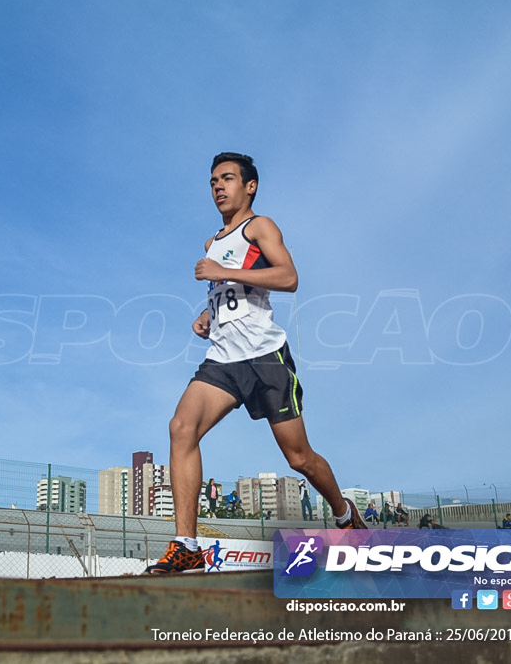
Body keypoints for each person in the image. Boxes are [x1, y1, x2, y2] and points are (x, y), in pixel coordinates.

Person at [146, 152, 365, 575]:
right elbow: (232, 292)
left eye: (227, 179)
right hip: (224, 359)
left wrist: (219, 271)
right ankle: (186, 543)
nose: (218, 187)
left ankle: (344, 514)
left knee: (299, 459)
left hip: (265, 358)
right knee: (181, 428)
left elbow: (288, 278)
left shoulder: (259, 227)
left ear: (250, 186)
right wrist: (209, 313)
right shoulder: (212, 242)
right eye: (212, 181)